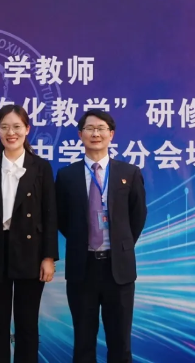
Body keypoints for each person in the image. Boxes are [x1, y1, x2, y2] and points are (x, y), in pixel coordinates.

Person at [55, 109, 147, 363]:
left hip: (119, 270)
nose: (95, 134)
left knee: (120, 343)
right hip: (82, 268)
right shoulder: (67, 176)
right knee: (83, 342)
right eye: (89, 128)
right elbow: (61, 218)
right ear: (80, 135)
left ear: (111, 134)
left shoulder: (129, 173)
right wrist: (81, 239)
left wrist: (121, 244)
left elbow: (137, 215)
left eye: (101, 129)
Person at [0, 104, 59, 363]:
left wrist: (48, 257)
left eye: (17, 127)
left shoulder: (41, 167)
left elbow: (50, 214)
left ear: (27, 129)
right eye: (4, 127)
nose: (11, 133)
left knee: (27, 323)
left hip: (30, 253)